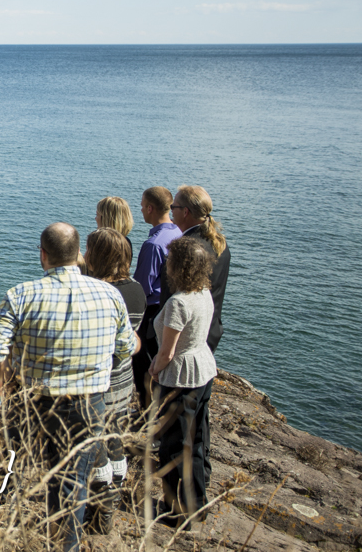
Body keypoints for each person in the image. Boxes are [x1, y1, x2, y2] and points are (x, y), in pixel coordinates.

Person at [0, 223, 139, 552]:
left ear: (44, 255)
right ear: (78, 254)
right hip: (87, 405)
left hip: (33, 400)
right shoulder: (110, 295)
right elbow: (125, 350)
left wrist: (7, 378)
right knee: (71, 485)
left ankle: (0, 530)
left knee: (11, 465)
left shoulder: (21, 294)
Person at [149, 237, 218, 524]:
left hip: (180, 376)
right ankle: (197, 503)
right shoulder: (203, 293)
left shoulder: (178, 302)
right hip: (202, 370)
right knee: (198, 440)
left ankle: (175, 510)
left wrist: (153, 369)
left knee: (174, 445)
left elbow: (167, 351)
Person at [83, 228, 147, 533]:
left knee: (97, 447)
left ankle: (103, 506)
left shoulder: (103, 293)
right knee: (116, 441)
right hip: (125, 379)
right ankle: (115, 497)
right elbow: (133, 339)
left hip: (101, 381)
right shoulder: (136, 289)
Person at [131, 186, 182, 409]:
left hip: (151, 313)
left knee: (142, 365)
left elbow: (142, 288)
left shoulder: (153, 245)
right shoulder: (178, 233)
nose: (141, 210)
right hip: (169, 308)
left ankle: (146, 413)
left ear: (150, 208)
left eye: (142, 206)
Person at [165, 186, 230, 353]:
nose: (171, 210)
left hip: (183, 337)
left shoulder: (185, 249)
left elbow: (170, 293)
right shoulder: (219, 243)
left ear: (185, 212)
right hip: (209, 331)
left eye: (174, 207)